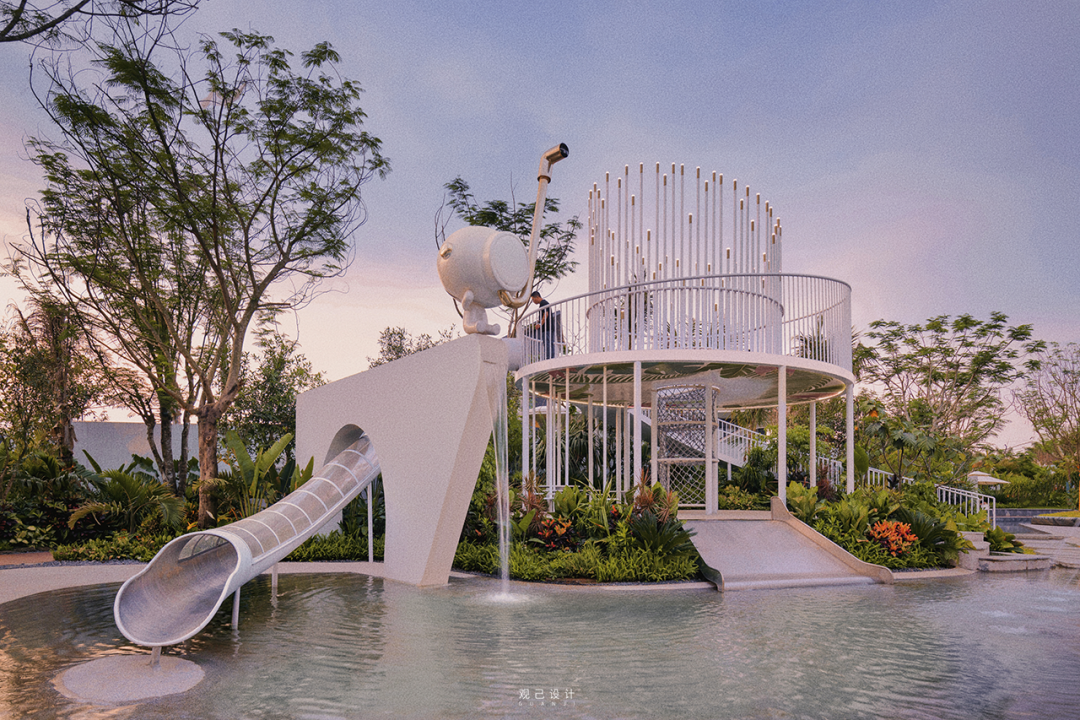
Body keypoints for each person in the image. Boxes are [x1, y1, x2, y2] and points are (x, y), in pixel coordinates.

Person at [531, 290, 555, 360]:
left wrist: (540, 324)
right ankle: (551, 357)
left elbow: (546, 314)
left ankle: (548, 358)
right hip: (549, 327)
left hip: (547, 327)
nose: (533, 301)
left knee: (547, 342)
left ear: (537, 297)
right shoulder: (544, 303)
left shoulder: (543, 303)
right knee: (550, 342)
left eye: (533, 299)